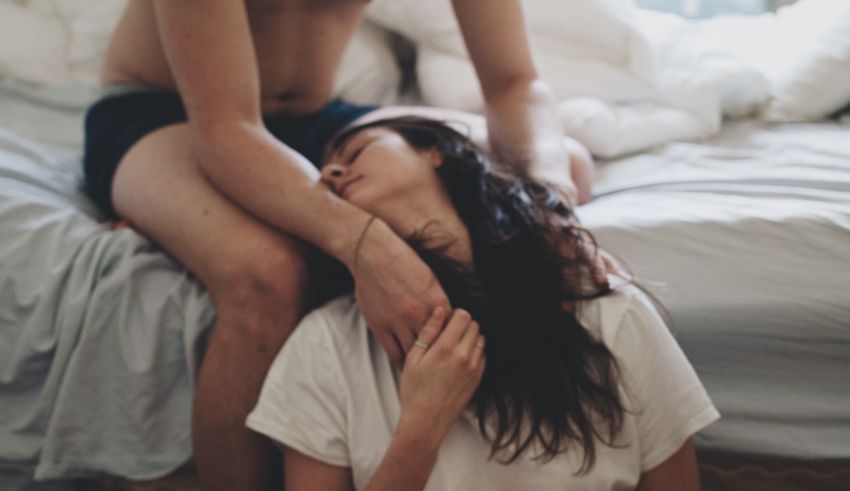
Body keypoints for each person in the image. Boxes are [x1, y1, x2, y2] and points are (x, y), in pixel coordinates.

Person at [81, 1, 592, 489]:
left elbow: (513, 82)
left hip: (315, 118)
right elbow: (227, 127)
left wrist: (552, 204)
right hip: (176, 114)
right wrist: (365, 244)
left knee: (564, 161)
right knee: (270, 275)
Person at [246, 116, 720, 490]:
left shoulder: (610, 315)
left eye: (355, 152)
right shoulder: (324, 345)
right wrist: (420, 432)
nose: (329, 173)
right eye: (323, 172)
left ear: (437, 152)